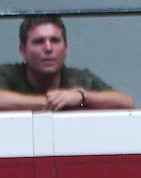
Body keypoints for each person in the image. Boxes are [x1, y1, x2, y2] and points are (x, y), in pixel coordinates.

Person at [0, 16, 134, 111]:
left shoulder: (79, 78)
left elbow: (126, 102)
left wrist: (82, 97)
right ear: (23, 50)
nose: (48, 48)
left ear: (65, 48)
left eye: (55, 40)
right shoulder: (7, 74)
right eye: (39, 41)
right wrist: (57, 102)